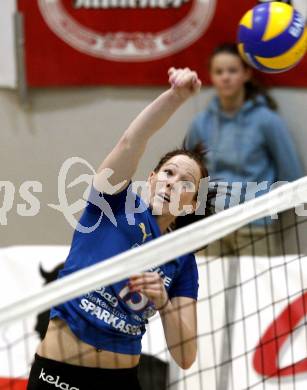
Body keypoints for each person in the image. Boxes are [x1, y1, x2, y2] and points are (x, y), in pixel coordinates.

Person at [27, 68, 210, 390]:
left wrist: (164, 302)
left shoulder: (182, 259)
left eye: (186, 182)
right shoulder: (111, 203)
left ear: (190, 204)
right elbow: (131, 140)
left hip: (118, 381)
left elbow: (186, 356)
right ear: (151, 178)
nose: (172, 182)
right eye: (168, 172)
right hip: (57, 373)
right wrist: (176, 97)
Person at [184, 43, 304, 256]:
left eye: (232, 70)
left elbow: (292, 174)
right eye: (219, 72)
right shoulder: (201, 123)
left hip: (255, 227)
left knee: (262, 289)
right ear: (211, 76)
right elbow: (188, 171)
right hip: (211, 226)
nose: (226, 77)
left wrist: (267, 208)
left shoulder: (267, 121)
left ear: (246, 74)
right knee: (206, 288)